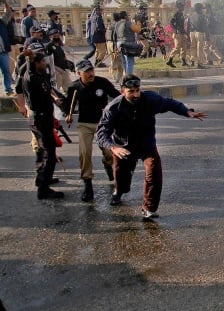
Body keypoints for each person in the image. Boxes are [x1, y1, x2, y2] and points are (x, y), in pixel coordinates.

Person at [96, 74, 206, 219]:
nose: (135, 94)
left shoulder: (150, 99)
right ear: (123, 91)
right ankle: (119, 191)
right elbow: (101, 133)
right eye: (131, 92)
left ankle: (149, 208)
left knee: (154, 172)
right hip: (124, 147)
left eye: (137, 90)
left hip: (146, 144)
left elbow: (169, 103)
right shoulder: (113, 108)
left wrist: (187, 112)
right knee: (122, 176)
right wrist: (113, 147)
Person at [63, 60, 120, 202]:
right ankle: (87, 183)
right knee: (84, 153)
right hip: (84, 124)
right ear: (79, 73)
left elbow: (118, 97)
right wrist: (67, 114)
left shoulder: (103, 82)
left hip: (103, 123)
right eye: (86, 71)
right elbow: (67, 106)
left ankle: (108, 165)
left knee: (109, 152)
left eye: (91, 70)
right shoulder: (74, 87)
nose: (90, 74)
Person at [16, 49, 65, 200]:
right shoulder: (30, 75)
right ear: (35, 64)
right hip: (39, 118)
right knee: (48, 153)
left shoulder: (40, 75)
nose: (45, 63)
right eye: (42, 61)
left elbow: (47, 89)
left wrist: (54, 98)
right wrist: (30, 57)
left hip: (45, 117)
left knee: (43, 151)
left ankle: (43, 179)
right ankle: (43, 189)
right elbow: (30, 68)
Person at [166, 0, 191, 68]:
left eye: (183, 6)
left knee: (184, 47)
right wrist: (176, 29)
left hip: (182, 33)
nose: (183, 7)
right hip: (177, 33)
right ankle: (170, 60)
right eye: (181, 6)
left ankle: (183, 61)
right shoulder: (176, 14)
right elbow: (171, 23)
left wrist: (185, 32)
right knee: (177, 48)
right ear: (178, 7)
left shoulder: (181, 14)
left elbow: (182, 25)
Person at [115, 11, 140, 75]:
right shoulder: (128, 23)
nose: (128, 17)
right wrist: (138, 23)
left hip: (119, 43)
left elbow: (115, 35)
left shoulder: (117, 23)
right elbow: (137, 30)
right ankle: (129, 77)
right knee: (129, 61)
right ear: (125, 16)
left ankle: (126, 75)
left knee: (124, 61)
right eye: (127, 15)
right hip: (127, 44)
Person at [0, 1, 14, 96]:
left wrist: (5, 3)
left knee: (6, 71)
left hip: (3, 52)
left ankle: (8, 90)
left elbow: (8, 13)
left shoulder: (2, 22)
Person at [106, 12, 124, 84]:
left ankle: (113, 75)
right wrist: (116, 47)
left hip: (109, 43)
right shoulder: (118, 25)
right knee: (119, 62)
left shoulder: (110, 24)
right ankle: (118, 78)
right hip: (114, 44)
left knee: (112, 60)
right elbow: (115, 36)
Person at [188, 3, 208, 69]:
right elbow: (205, 26)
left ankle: (193, 61)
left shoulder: (191, 16)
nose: (203, 9)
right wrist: (206, 34)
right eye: (202, 8)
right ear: (199, 9)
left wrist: (188, 35)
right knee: (200, 49)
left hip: (192, 33)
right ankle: (200, 63)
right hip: (199, 32)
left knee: (193, 47)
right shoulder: (202, 16)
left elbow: (188, 26)